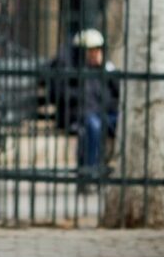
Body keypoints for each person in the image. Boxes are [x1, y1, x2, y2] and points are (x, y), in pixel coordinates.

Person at [47, 29, 119, 183]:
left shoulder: (105, 69)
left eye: (98, 50)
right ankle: (89, 173)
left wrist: (109, 71)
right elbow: (62, 95)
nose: (95, 54)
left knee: (121, 121)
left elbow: (118, 93)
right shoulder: (71, 69)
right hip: (81, 115)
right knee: (93, 126)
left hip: (105, 114)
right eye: (91, 51)